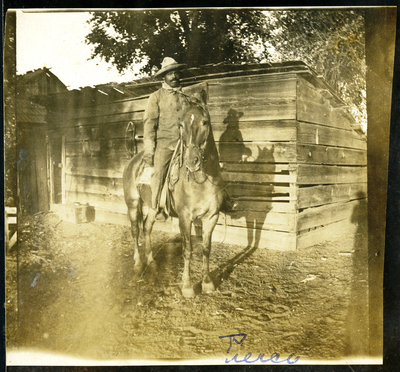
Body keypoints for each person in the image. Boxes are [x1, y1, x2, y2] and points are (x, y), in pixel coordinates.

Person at [143, 57, 188, 217]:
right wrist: (149, 151)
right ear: (164, 77)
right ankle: (156, 207)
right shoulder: (155, 97)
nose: (174, 76)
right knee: (159, 172)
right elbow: (149, 125)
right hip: (165, 145)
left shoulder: (187, 96)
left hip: (186, 144)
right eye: (170, 74)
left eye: (176, 72)